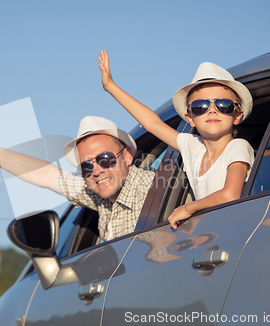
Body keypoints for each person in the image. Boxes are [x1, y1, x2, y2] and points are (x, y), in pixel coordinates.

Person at [98, 50, 255, 229]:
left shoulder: (238, 146)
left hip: (233, 232)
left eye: (223, 105)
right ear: (189, 118)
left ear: (237, 115)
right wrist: (110, 86)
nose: (212, 110)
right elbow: (153, 123)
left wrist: (188, 208)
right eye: (200, 106)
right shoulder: (193, 146)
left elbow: (230, 195)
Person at [0, 108, 156, 241]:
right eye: (86, 166)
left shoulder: (153, 187)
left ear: (127, 156)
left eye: (105, 159)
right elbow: (46, 174)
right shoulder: (98, 195)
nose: (96, 171)